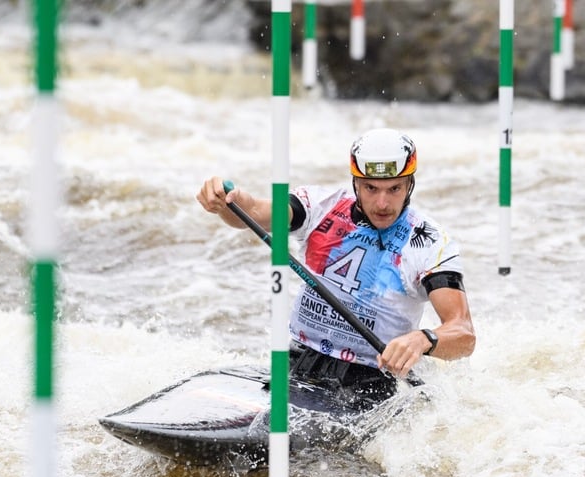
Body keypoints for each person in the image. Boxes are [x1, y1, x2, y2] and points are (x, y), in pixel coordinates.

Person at [196, 128, 476, 404]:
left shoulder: (429, 242)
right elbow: (255, 212)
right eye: (370, 188)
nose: (382, 203)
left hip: (368, 383)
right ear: (356, 183)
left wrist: (423, 339)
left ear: (409, 184)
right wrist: (227, 202)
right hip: (296, 363)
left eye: (394, 189)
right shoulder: (321, 206)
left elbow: (463, 333)